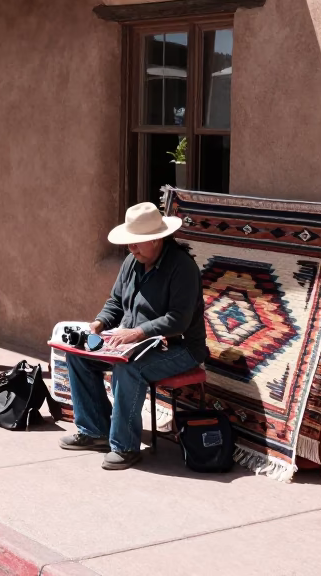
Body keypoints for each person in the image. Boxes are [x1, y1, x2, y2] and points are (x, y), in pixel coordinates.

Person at [59, 201, 208, 471]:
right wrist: (99, 323)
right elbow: (115, 301)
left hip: (178, 348)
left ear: (156, 239)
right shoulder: (132, 262)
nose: (131, 248)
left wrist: (138, 332)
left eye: (137, 242)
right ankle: (95, 431)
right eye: (130, 242)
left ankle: (126, 447)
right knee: (78, 357)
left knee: (130, 369)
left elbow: (179, 320)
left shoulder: (182, 268)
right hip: (130, 342)